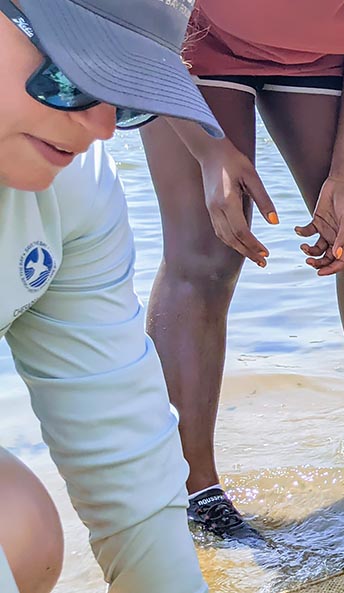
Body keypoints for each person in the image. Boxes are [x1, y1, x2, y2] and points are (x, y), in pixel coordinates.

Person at [138, 0, 344, 538]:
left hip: (326, 58)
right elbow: (138, 25)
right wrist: (209, 150)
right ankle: (190, 487)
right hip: (189, 40)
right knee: (207, 254)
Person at [0, 0, 222, 590]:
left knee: (24, 531)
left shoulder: (76, 187)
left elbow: (121, 454)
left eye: (125, 94)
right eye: (72, 74)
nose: (101, 127)